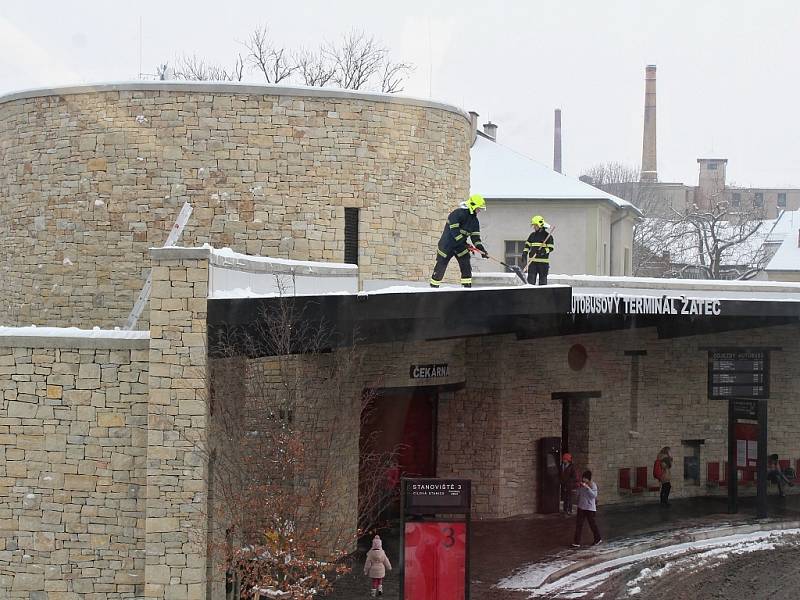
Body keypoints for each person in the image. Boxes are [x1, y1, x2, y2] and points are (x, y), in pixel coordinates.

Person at [430, 194, 488, 288]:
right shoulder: (457, 214)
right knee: (441, 266)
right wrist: (464, 243)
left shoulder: (475, 221)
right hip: (447, 245)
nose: (479, 211)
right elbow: (454, 231)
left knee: (465, 263)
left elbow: (475, 238)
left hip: (460, 246)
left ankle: (467, 288)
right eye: (478, 208)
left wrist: (481, 249)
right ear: (473, 205)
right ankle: (433, 287)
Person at [572, 470, 602, 547]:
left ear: (588, 479)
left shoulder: (593, 485)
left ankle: (598, 538)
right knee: (579, 525)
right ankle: (576, 542)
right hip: (581, 507)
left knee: (592, 524)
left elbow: (594, 496)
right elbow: (577, 495)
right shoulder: (581, 485)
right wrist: (578, 488)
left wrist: (587, 488)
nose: (584, 480)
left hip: (589, 508)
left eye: (585, 478)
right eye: (583, 478)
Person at [522, 215, 555, 285]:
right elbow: (527, 245)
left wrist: (542, 252)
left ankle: (542, 295)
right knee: (530, 282)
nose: (534, 227)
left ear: (540, 225)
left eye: (535, 225)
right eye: (533, 225)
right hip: (532, 263)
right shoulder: (532, 235)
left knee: (542, 283)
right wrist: (524, 253)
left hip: (543, 264)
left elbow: (551, 248)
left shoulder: (548, 236)